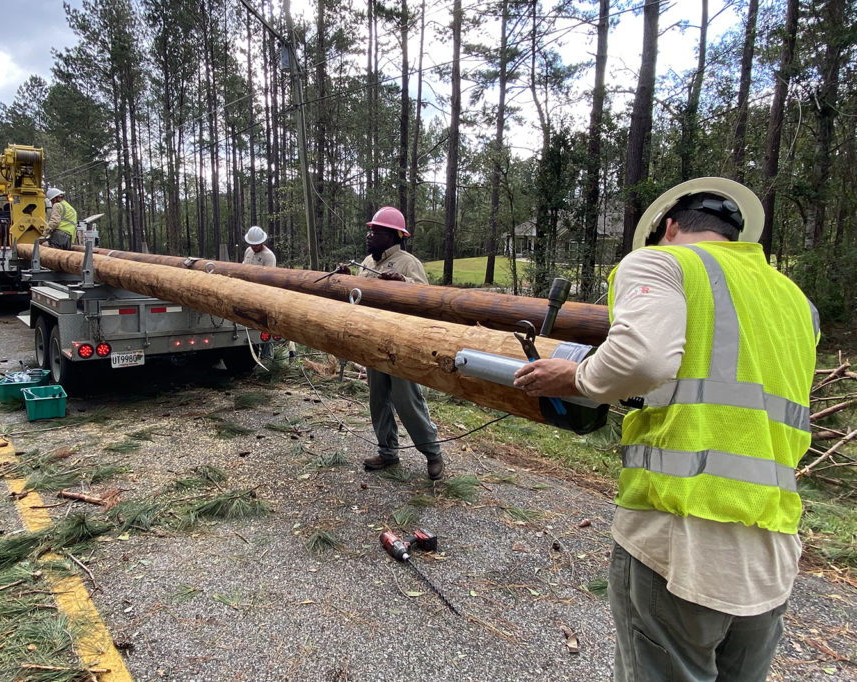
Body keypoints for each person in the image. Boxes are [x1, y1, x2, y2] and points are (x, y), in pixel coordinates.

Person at [512, 178, 819, 681]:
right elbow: (729, 389)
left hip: (678, 539)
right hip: (771, 547)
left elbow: (643, 357)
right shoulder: (796, 303)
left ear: (670, 227)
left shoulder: (663, 262)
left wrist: (578, 376)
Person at [336, 206, 444, 480]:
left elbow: (426, 300)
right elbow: (357, 298)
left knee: (406, 399)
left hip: (400, 344)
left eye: (377, 231)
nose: (370, 235)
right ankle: (388, 452)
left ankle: (432, 453)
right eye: (370, 230)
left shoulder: (409, 263)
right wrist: (347, 279)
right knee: (378, 399)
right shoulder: (369, 263)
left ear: (395, 235)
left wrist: (402, 282)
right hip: (373, 340)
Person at [242, 225, 277, 359]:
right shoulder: (248, 251)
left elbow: (269, 280)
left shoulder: (268, 256)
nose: (254, 246)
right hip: (247, 293)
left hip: (262, 295)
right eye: (252, 244)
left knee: (264, 325)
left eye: (256, 244)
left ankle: (267, 357)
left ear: (262, 241)